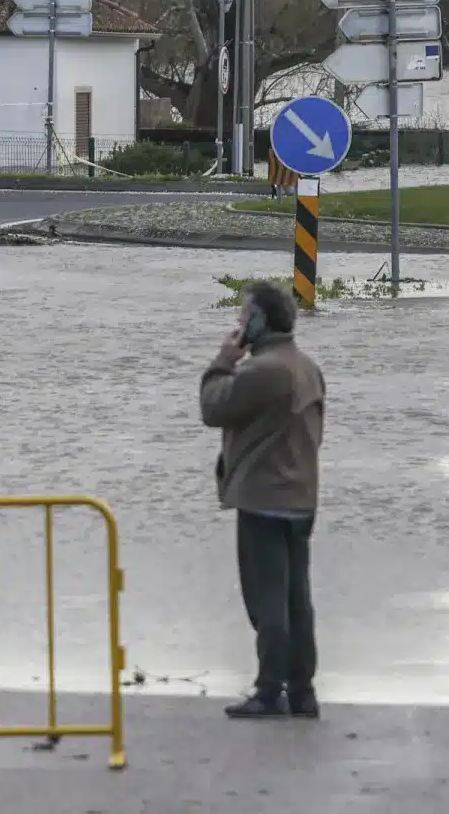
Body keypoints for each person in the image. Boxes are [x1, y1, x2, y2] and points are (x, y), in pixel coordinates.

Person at [199, 282, 326, 721]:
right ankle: (303, 690)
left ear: (259, 321)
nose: (237, 324)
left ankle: (269, 689)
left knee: (267, 599)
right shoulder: (307, 367)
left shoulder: (262, 371)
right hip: (300, 497)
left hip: (265, 498)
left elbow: (212, 407)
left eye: (243, 316)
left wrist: (222, 362)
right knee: (296, 599)